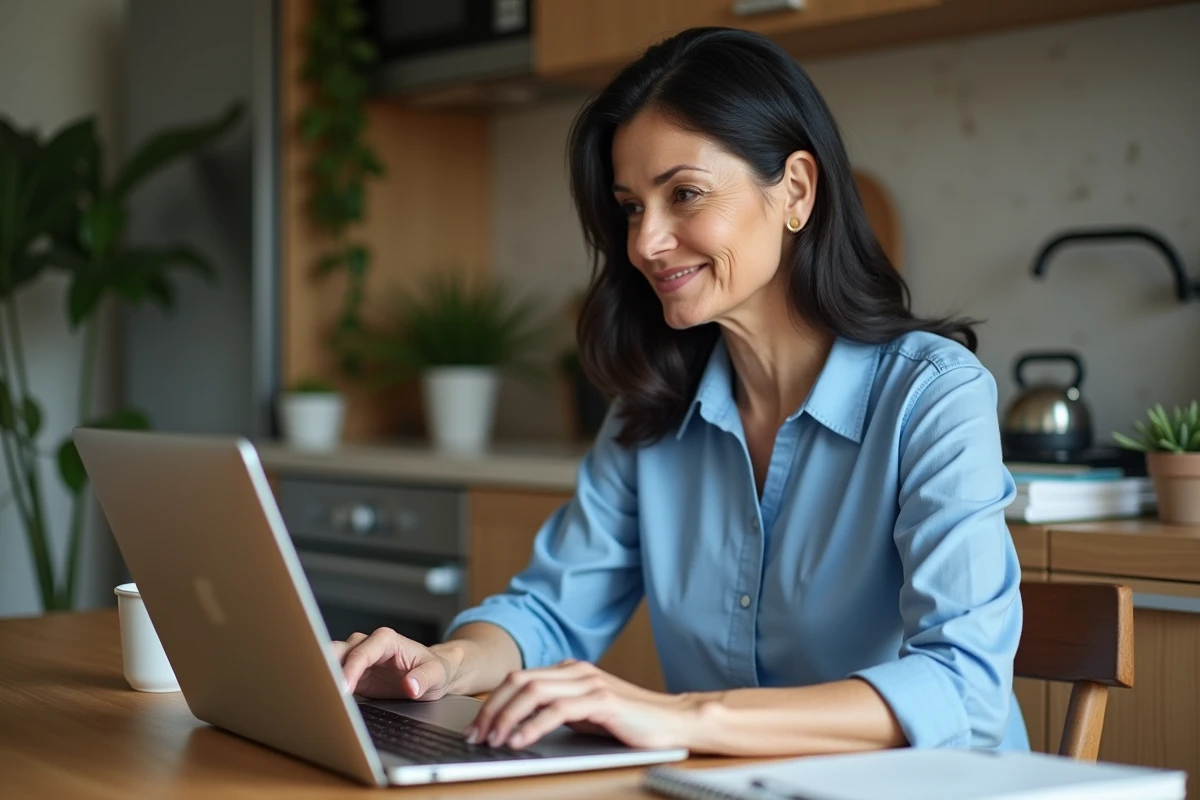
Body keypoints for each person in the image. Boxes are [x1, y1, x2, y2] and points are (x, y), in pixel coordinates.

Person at [334, 26, 1026, 755]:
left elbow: (965, 684)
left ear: (795, 189)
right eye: (632, 207)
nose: (644, 243)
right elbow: (549, 611)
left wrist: (689, 717)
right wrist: (441, 666)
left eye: (684, 195)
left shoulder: (933, 396)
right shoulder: (653, 403)